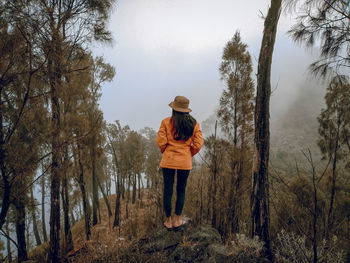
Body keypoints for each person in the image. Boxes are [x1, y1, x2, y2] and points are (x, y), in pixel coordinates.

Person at [156, 95, 204, 231]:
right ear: (187, 110)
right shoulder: (194, 124)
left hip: (168, 161)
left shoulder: (165, 122)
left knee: (168, 191)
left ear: (174, 109)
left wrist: (166, 151)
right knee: (181, 190)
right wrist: (189, 153)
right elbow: (199, 143)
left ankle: (168, 221)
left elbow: (161, 142)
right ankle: (178, 220)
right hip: (185, 162)